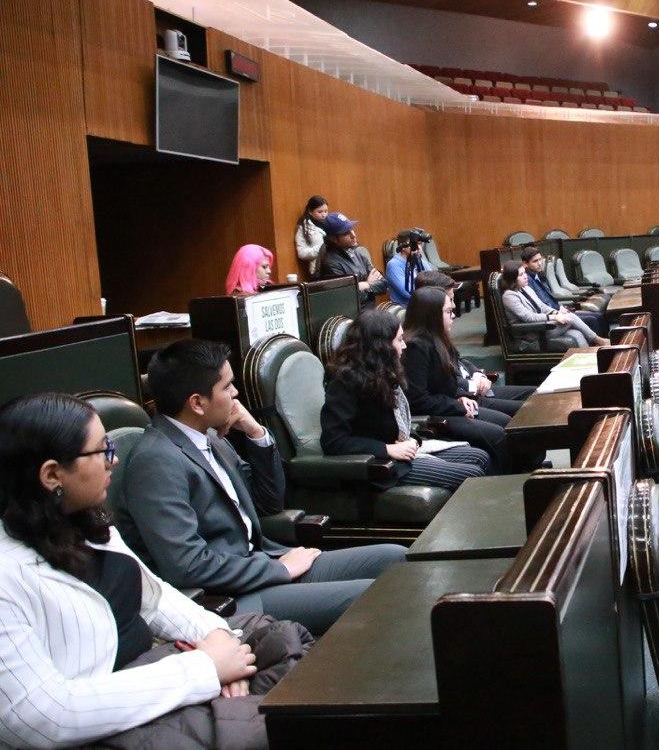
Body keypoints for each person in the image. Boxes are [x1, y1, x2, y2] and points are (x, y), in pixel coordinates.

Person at [0, 392, 282, 748]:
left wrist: (216, 639)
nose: (112, 461)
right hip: (112, 727)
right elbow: (44, 718)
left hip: (160, 686)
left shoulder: (90, 526)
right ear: (52, 474)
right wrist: (204, 670)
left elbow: (156, 599)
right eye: (102, 450)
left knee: (285, 651)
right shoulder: (8, 576)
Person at [112, 339, 406, 635]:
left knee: (394, 556)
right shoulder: (156, 460)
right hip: (232, 597)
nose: (236, 394)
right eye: (227, 387)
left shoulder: (209, 436)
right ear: (197, 403)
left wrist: (256, 434)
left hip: (264, 561)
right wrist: (279, 570)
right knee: (373, 596)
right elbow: (187, 565)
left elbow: (269, 504)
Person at [322, 308, 492, 490]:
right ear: (381, 345)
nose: (404, 346)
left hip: (402, 451)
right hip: (381, 466)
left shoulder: (385, 371)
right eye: (399, 340)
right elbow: (334, 441)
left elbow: (395, 425)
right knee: (472, 474)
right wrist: (387, 449)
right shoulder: (344, 382)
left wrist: (413, 440)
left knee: (480, 456)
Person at [403, 287, 541, 473]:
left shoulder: (437, 338)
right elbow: (418, 400)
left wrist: (461, 395)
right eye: (448, 311)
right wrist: (457, 405)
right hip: (437, 416)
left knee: (508, 420)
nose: (453, 315)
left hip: (451, 405)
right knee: (499, 432)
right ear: (432, 315)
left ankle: (526, 468)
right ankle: (511, 479)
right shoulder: (415, 347)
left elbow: (451, 375)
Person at [499, 261, 608, 351]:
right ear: (512, 278)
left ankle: (589, 357)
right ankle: (598, 340)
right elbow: (528, 317)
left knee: (577, 333)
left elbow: (542, 307)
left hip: (542, 326)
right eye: (521, 274)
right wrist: (554, 317)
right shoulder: (509, 296)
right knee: (571, 317)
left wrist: (556, 312)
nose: (525, 276)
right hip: (531, 333)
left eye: (525, 273)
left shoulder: (525, 288)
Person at [521, 246, 607, 336]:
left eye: (540, 259)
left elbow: (549, 297)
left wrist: (560, 306)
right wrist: (557, 311)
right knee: (593, 320)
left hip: (558, 310)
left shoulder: (538, 275)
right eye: (535, 261)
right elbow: (540, 304)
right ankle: (597, 347)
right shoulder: (528, 281)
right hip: (553, 318)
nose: (539, 263)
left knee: (599, 316)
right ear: (525, 264)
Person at [315, 211, 386, 309]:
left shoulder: (358, 253)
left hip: (370, 313)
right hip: (353, 319)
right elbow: (347, 299)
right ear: (333, 239)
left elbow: (383, 284)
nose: (353, 235)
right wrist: (369, 284)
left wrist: (364, 285)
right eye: (346, 233)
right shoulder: (330, 263)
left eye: (351, 229)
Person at [386, 229, 433, 307]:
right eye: (415, 244)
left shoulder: (419, 259)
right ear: (403, 247)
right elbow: (408, 293)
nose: (419, 248)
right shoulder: (393, 265)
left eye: (420, 244)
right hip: (406, 310)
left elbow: (433, 280)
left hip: (423, 305)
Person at [294, 195, 329, 278]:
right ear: (310, 211)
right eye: (320, 212)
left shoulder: (330, 222)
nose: (324, 215)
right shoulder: (304, 227)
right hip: (318, 270)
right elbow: (301, 253)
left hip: (333, 266)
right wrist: (320, 249)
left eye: (326, 211)